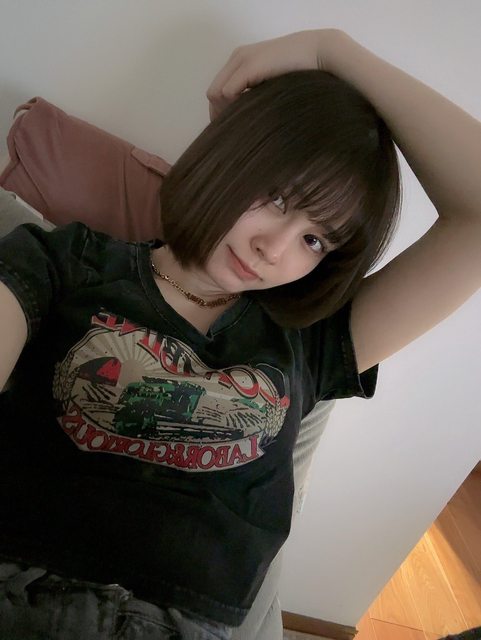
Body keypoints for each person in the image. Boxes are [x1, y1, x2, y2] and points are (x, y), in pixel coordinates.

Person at [0, 27, 480, 640]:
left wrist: (336, 51)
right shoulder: (63, 263)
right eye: (276, 198)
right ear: (231, 155)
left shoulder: (313, 336)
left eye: (316, 239)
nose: (275, 249)